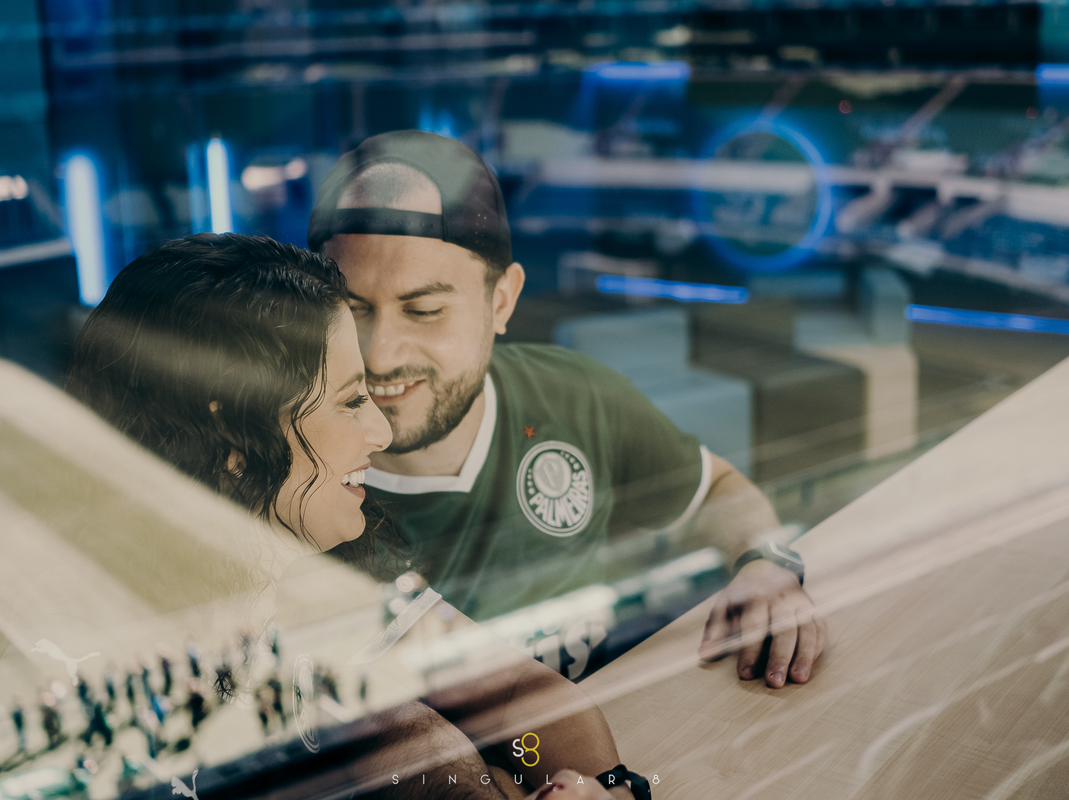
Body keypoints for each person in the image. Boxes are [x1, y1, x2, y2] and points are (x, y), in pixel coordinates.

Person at [66, 233, 627, 799]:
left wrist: (607, 787)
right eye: (351, 401)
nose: (381, 434)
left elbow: (506, 694)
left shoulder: (335, 565)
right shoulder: (109, 676)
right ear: (233, 434)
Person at [308, 130, 827, 688]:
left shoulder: (572, 397)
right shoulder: (291, 473)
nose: (379, 354)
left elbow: (713, 490)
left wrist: (765, 563)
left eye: (426, 311)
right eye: (351, 309)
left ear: (501, 301)